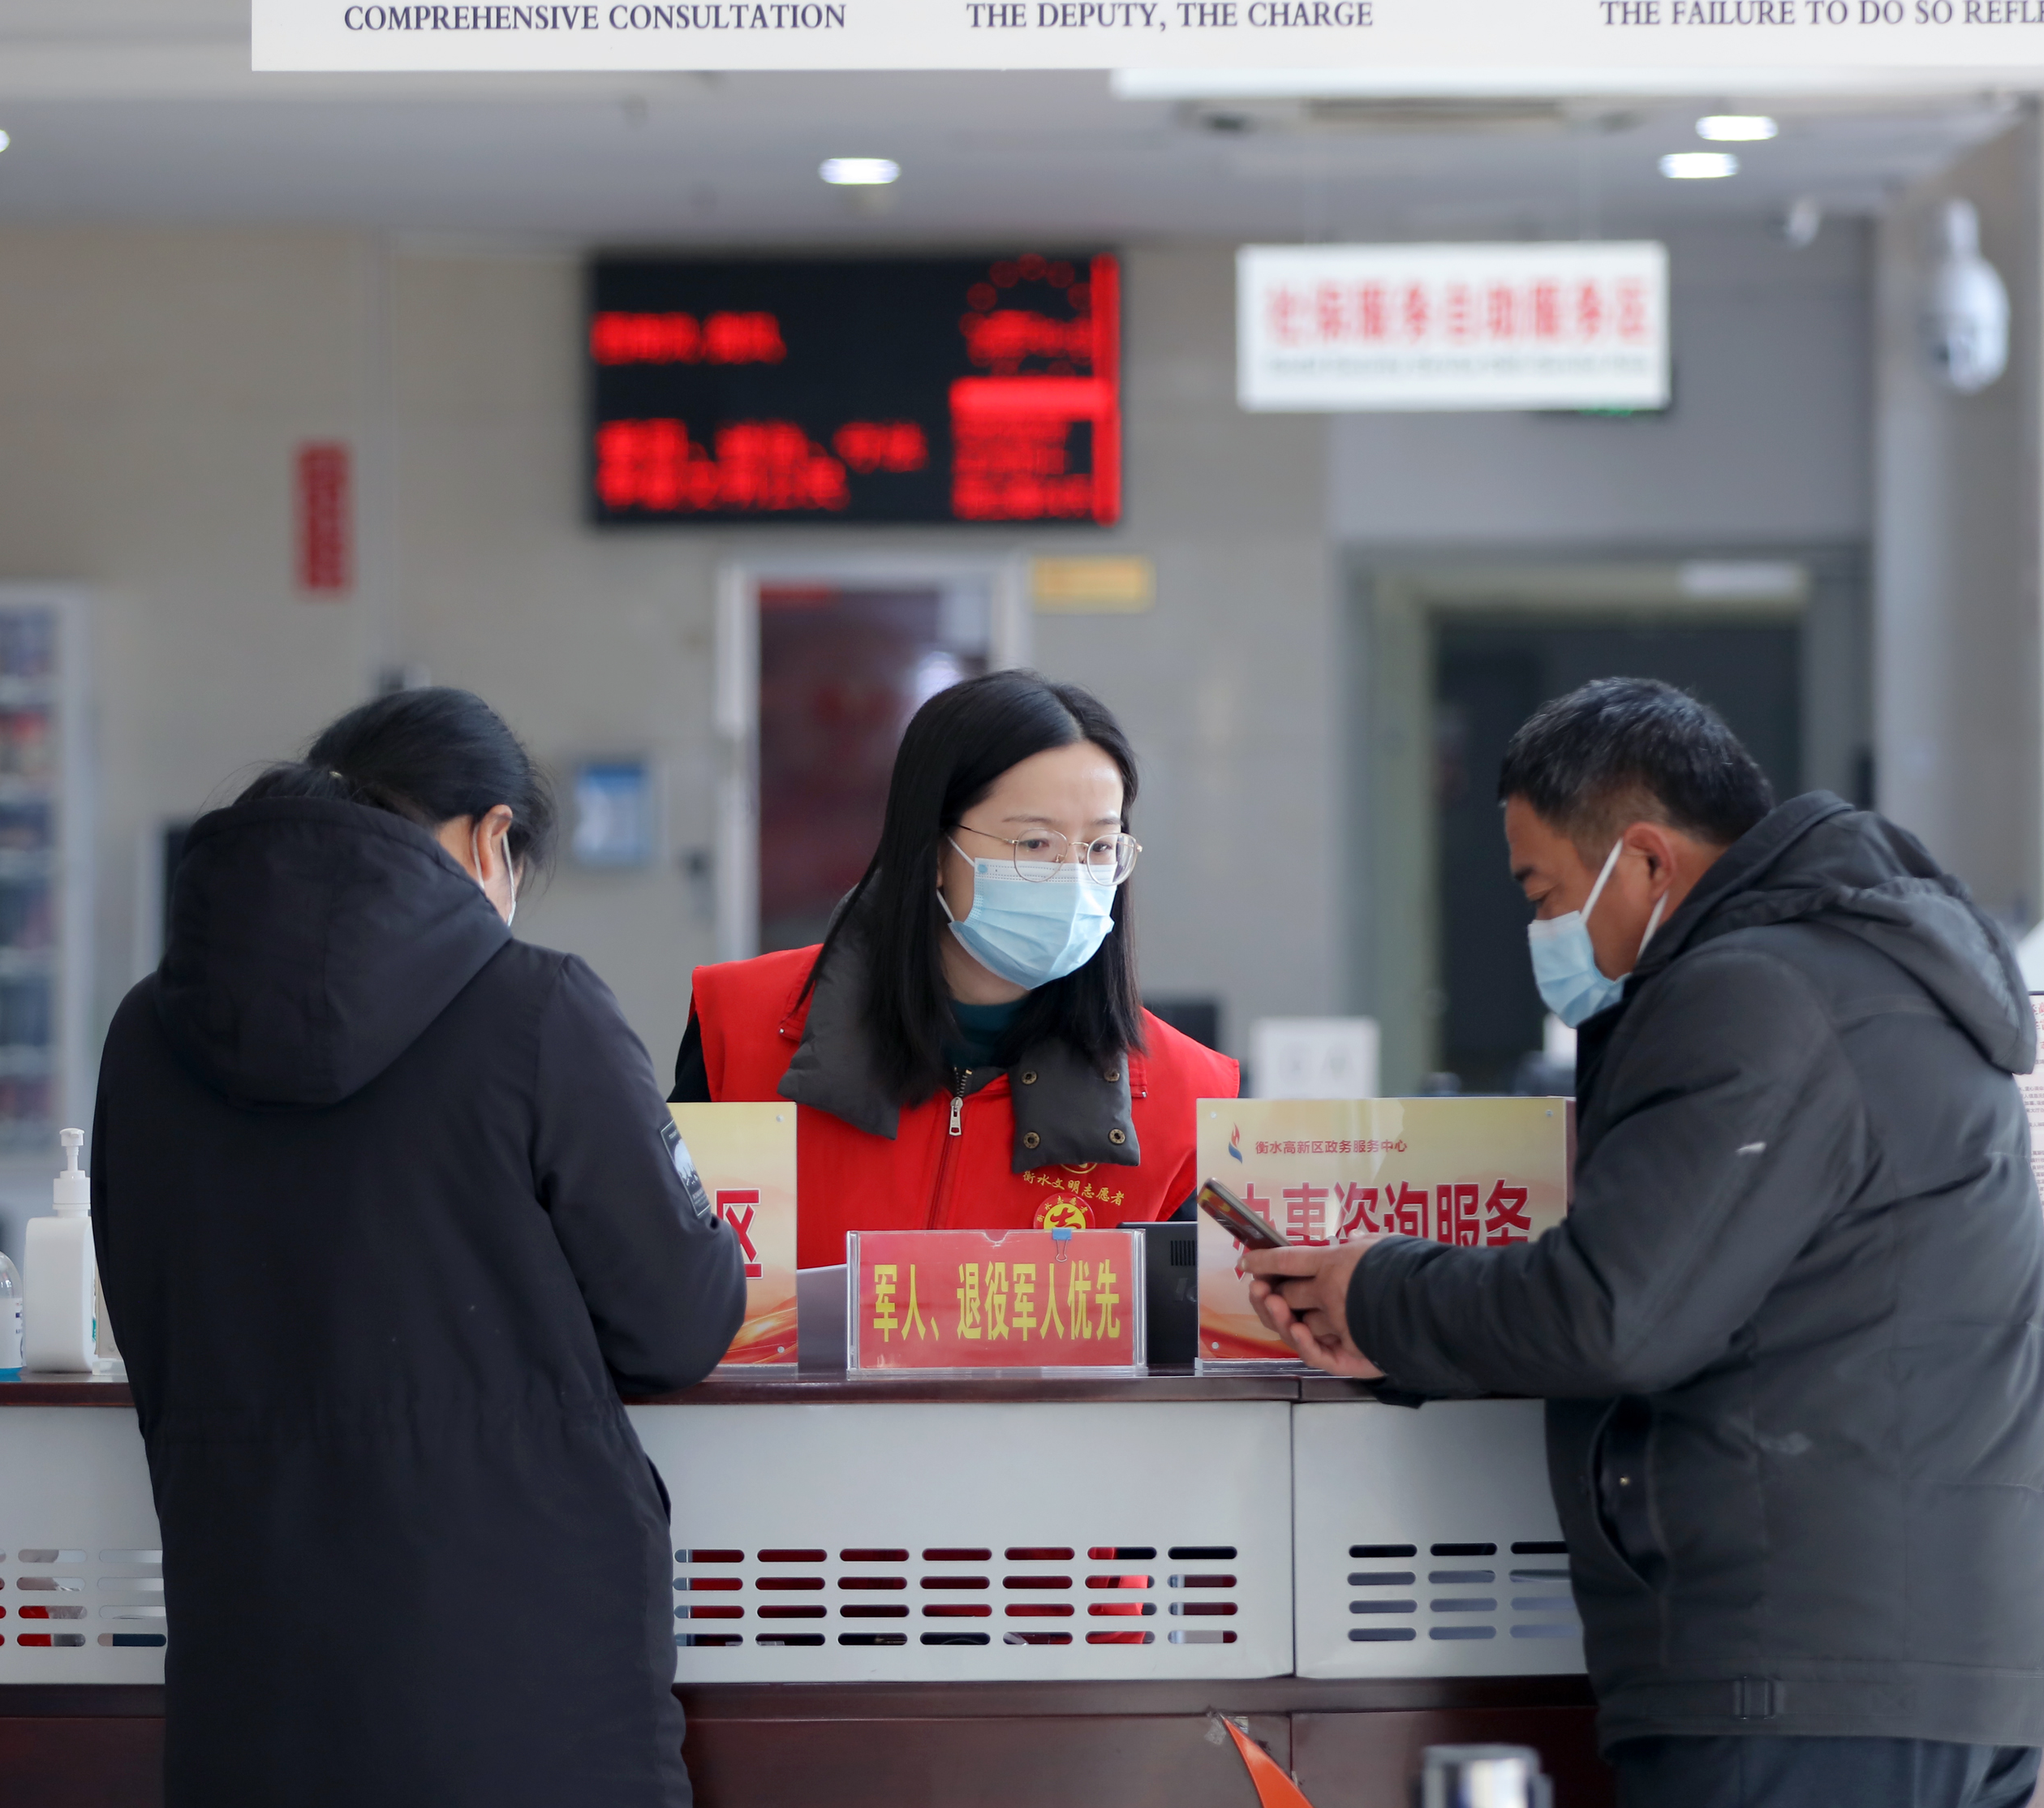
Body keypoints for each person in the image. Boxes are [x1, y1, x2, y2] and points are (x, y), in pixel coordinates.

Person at [1245, 677, 2044, 1808]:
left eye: (1543, 891)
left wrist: (1374, 1290)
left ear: (1645, 859)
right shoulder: (1872, 970)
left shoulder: (1754, 994)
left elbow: (1615, 1311)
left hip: (1798, 1688)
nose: (1539, 931)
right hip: (1924, 1671)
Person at [92, 689, 745, 1808]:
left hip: (246, 1661)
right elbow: (678, 1320)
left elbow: (147, 1308)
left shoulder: (146, 1033)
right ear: (492, 838)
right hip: (526, 1676)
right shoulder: (536, 1006)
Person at [674, 669, 1235, 1268]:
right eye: (1035, 844)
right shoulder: (741, 1027)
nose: (1075, 879)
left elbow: (1200, 1319)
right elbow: (661, 1277)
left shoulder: (1184, 1095)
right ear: (936, 850)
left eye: (1100, 847)